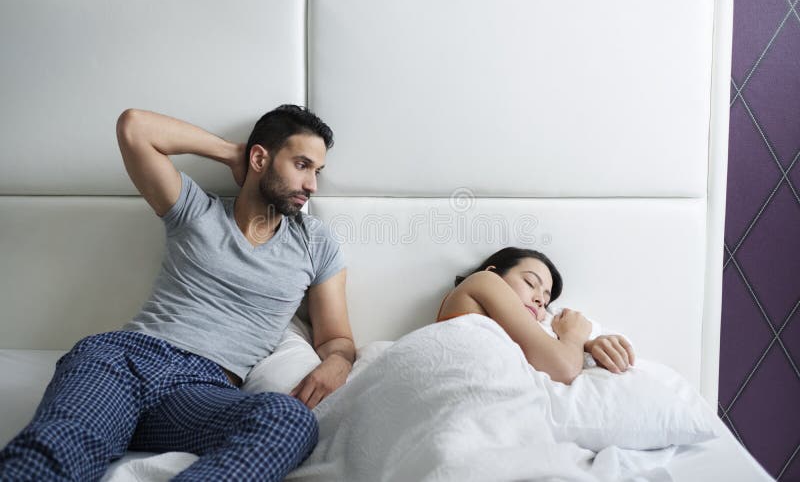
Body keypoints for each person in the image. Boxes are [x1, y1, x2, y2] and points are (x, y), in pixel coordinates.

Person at [0, 105, 355, 481]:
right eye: (301, 165)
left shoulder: (315, 241)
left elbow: (336, 338)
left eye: (317, 171)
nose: (312, 185)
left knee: (288, 420)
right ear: (259, 158)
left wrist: (339, 362)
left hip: (200, 389)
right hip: (123, 362)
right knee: (55, 450)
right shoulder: (195, 210)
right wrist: (231, 152)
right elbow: (135, 127)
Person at [436, 247, 634, 385]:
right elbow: (563, 368)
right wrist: (574, 336)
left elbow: (542, 351)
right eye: (530, 282)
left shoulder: (504, 337)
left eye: (546, 301)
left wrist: (588, 347)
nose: (540, 299)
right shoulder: (484, 280)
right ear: (494, 272)